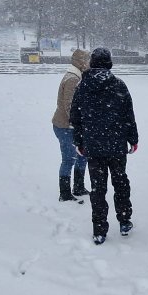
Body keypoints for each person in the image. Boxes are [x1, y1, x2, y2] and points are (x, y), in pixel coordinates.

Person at [70, 48, 139, 245]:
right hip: (116, 145)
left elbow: (76, 117)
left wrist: (79, 141)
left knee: (97, 188)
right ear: (109, 63)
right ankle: (124, 220)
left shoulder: (83, 86)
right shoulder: (119, 85)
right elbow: (128, 115)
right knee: (121, 182)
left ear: (92, 63)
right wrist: (133, 139)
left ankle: (99, 229)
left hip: (94, 145)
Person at [51, 49, 90, 204]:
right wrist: (77, 124)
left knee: (82, 155)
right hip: (66, 126)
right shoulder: (73, 78)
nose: (89, 64)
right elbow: (69, 107)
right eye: (87, 60)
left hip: (73, 126)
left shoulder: (76, 76)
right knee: (69, 159)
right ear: (81, 62)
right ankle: (65, 193)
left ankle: (79, 187)